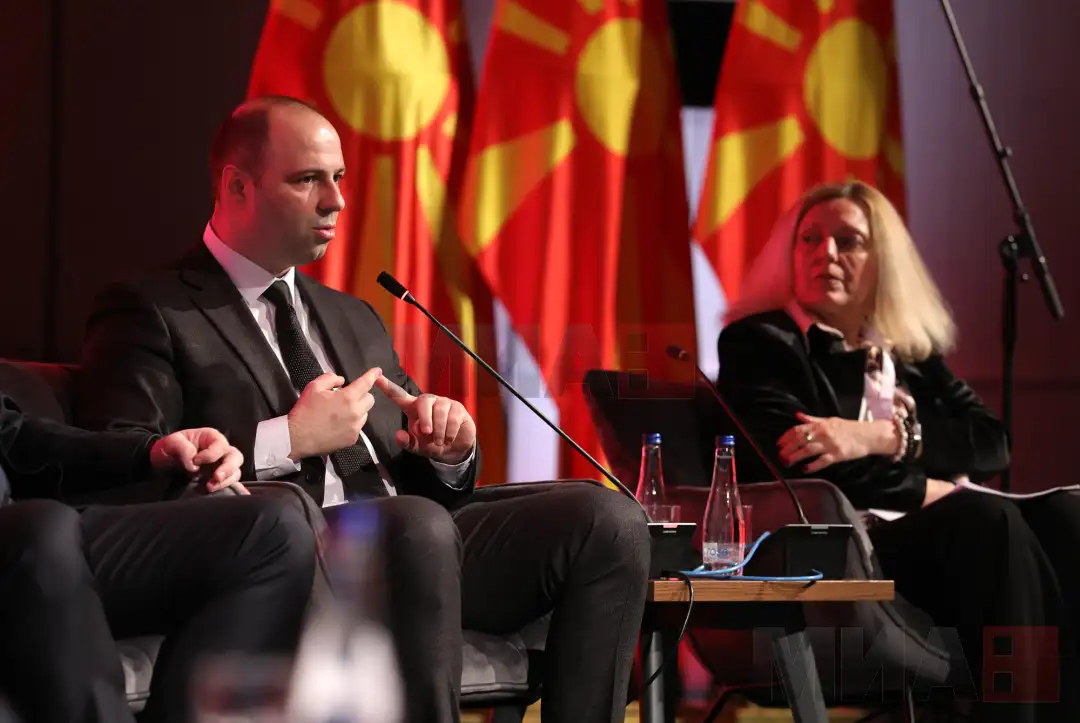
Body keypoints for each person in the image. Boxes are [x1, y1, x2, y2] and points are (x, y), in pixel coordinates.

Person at [74, 95, 650, 723]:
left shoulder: (352, 315)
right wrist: (287, 439)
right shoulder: (151, 309)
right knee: (413, 526)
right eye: (308, 180)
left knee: (607, 519)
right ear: (238, 186)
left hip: (416, 550)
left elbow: (416, 470)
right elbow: (127, 465)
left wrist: (448, 449)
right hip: (293, 555)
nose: (336, 201)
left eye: (339, 178)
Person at [715, 181, 1080, 722]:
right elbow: (809, 468)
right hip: (842, 550)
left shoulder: (904, 350)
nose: (825, 254)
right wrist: (934, 487)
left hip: (925, 540)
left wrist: (879, 437)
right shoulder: (762, 342)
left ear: (883, 259)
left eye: (848, 241)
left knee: (1067, 516)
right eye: (809, 239)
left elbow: (991, 442)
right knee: (987, 520)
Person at [0, 394, 316, 723]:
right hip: (30, 533)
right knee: (42, 527)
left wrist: (151, 452)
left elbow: (14, 436)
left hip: (33, 535)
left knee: (269, 533)